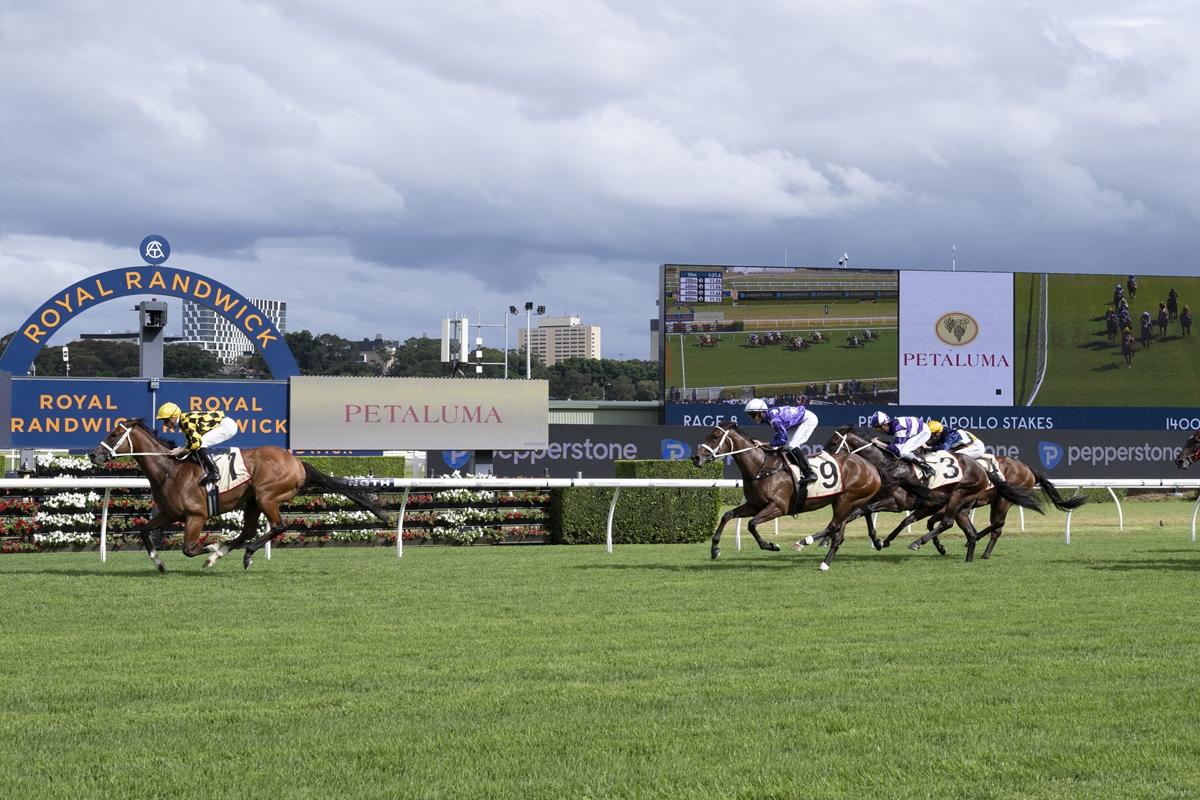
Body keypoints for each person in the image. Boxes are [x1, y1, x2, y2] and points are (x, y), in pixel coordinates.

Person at [156, 402, 239, 487]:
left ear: (173, 418)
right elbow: (190, 442)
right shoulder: (184, 420)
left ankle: (214, 472)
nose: (164, 424)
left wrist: (180, 451)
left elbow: (195, 444)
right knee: (198, 444)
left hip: (227, 427)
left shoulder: (186, 421)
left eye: (165, 420)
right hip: (226, 424)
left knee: (201, 444)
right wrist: (181, 450)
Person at [744, 397, 819, 482]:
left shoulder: (774, 420)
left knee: (792, 445)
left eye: (753, 416)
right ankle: (796, 471)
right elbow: (780, 436)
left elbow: (783, 439)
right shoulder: (769, 416)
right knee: (784, 446)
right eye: (749, 416)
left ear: (761, 413)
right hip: (797, 421)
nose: (751, 419)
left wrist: (762, 443)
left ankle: (810, 473)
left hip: (807, 420)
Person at [868, 411, 934, 477]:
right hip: (915, 430)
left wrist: (879, 443)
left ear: (885, 425)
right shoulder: (891, 427)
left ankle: (928, 468)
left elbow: (897, 449)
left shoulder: (898, 428)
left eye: (878, 427)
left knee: (903, 452)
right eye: (875, 428)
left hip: (923, 432)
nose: (877, 430)